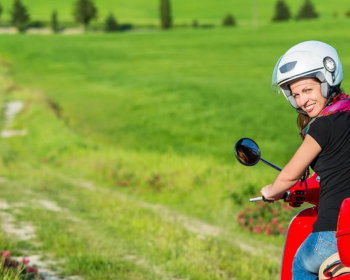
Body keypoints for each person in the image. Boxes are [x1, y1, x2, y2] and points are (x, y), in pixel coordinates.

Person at [261, 40, 350, 280]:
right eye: (296, 94)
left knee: (301, 263)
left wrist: (272, 190)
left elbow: (291, 173)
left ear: (327, 79)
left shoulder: (322, 126)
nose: (302, 101)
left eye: (308, 90)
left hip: (334, 233)